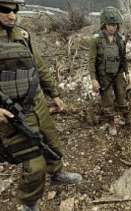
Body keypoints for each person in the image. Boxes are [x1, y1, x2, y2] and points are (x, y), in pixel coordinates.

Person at [0, 0, 82, 210]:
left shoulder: (22, 35)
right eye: (5, 10)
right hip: (11, 113)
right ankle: (29, 203)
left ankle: (56, 173)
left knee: (52, 142)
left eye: (15, 10)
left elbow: (40, 67)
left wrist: (54, 93)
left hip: (36, 101)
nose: (12, 16)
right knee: (34, 164)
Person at [88, 6, 131, 136]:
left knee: (122, 97)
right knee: (107, 100)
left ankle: (127, 118)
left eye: (115, 25)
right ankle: (111, 123)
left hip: (118, 74)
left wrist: (126, 72)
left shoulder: (120, 39)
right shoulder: (96, 40)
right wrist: (93, 79)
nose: (113, 27)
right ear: (104, 24)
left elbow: (122, 58)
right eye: (110, 24)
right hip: (104, 76)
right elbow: (91, 61)